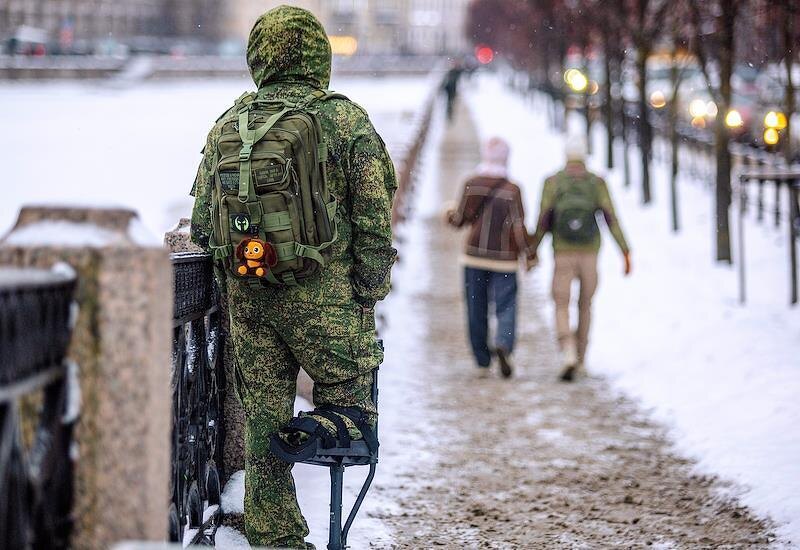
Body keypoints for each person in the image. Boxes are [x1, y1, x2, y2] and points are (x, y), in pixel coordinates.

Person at [189, 6, 396, 548]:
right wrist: (368, 291)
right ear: (318, 55)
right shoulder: (345, 120)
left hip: (249, 297)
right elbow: (374, 219)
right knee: (351, 407)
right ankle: (323, 454)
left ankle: (272, 531)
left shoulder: (230, 124)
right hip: (326, 302)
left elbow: (205, 225)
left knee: (262, 418)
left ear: (258, 57)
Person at [529, 137, 631, 382]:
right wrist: (625, 251)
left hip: (562, 251)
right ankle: (582, 358)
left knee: (561, 303)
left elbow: (544, 218)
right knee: (585, 305)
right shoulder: (596, 183)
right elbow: (610, 217)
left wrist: (533, 249)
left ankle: (568, 350)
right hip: (589, 252)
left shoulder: (553, 182)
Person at [447, 137, 536, 379]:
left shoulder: (471, 184)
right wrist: (529, 254)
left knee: (476, 307)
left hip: (474, 257)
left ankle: (482, 359)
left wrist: (449, 213)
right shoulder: (512, 190)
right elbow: (518, 226)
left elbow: (459, 220)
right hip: (505, 259)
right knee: (506, 304)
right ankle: (504, 344)